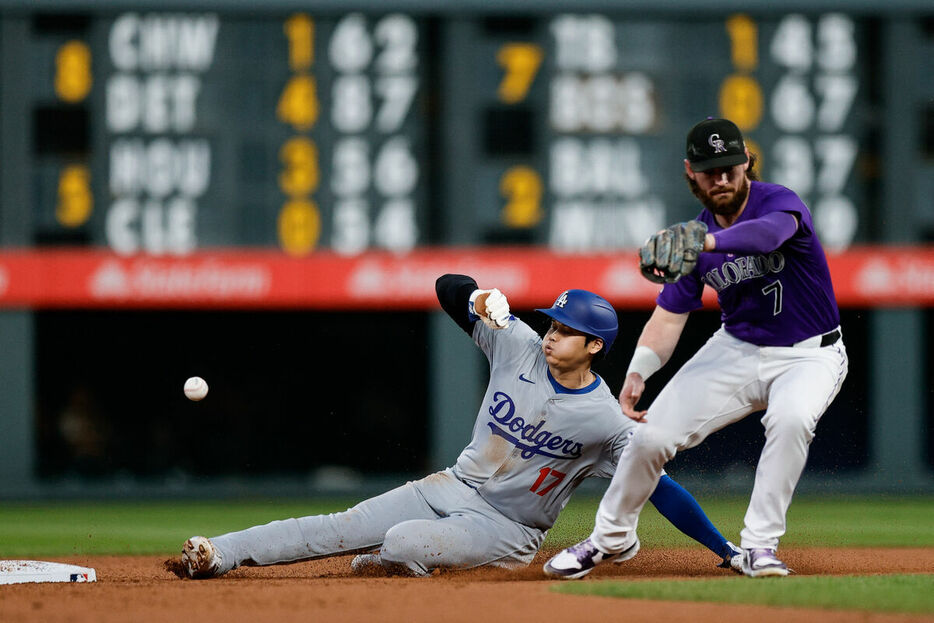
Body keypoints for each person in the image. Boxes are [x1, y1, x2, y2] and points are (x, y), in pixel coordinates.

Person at [180, 273, 741, 579]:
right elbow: (447, 287)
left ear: (594, 346)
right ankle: (217, 553)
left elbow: (661, 489)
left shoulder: (605, 420)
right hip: (450, 485)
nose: (550, 334)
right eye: (550, 322)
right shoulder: (517, 342)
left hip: (508, 530)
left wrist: (724, 550)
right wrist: (476, 295)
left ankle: (395, 564)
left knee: (399, 542)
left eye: (565, 330)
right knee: (340, 524)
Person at [544, 118, 848, 580]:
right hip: (737, 349)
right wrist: (639, 371)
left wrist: (703, 243)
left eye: (730, 166)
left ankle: (759, 547)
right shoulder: (693, 241)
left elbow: (768, 236)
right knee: (648, 439)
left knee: (790, 419)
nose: (722, 178)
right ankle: (605, 540)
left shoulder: (777, 202)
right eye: (710, 170)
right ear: (691, 172)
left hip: (811, 353)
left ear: (746, 161)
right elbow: (669, 315)